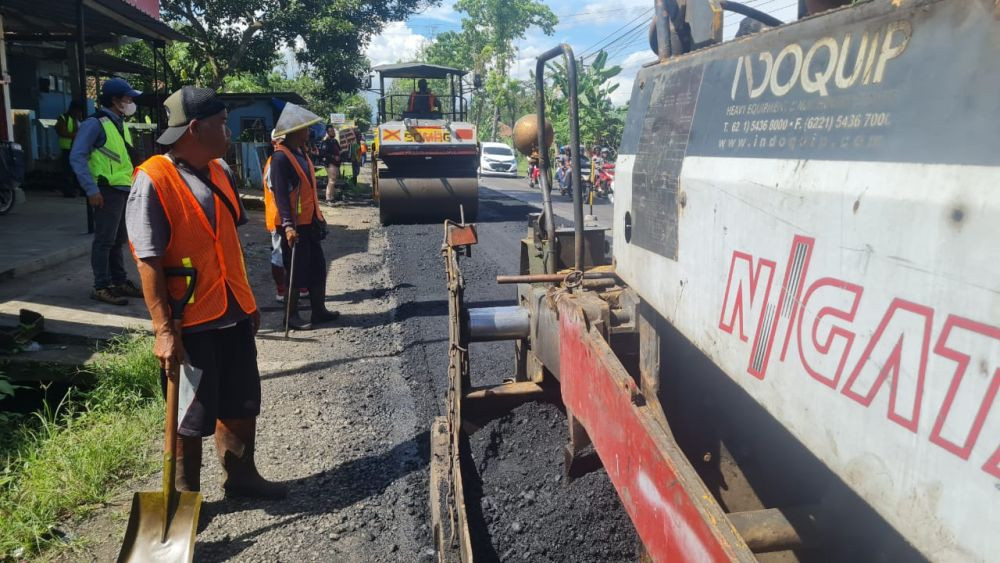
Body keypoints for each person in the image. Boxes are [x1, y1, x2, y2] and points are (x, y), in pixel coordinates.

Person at [125, 86, 285, 499]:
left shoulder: (219, 172)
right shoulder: (152, 180)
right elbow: (147, 260)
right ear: (195, 128)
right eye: (221, 124)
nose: (228, 132)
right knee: (190, 414)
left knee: (242, 399)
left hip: (230, 308)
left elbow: (226, 242)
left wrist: (245, 300)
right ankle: (185, 495)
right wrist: (163, 330)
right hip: (188, 320)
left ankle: (242, 477)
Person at [69, 78, 144, 305]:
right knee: (104, 241)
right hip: (105, 189)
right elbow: (77, 156)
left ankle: (119, 281)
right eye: (127, 97)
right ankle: (100, 286)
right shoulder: (95, 123)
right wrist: (91, 190)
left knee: (117, 239)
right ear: (114, 100)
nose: (130, 101)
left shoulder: (117, 123)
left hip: (121, 189)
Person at [266, 102, 340, 331]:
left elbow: (307, 191)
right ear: (294, 131)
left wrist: (319, 216)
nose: (308, 132)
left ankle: (319, 310)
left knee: (317, 266)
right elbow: (280, 195)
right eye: (305, 129)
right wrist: (288, 226)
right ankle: (290, 316)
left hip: (309, 222)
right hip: (294, 226)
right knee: (295, 271)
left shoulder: (300, 153)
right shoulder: (280, 158)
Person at [56, 100, 85, 198]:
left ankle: (81, 190)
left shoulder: (80, 119)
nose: (79, 113)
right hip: (67, 149)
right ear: (73, 110)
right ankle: (68, 191)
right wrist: (76, 135)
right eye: (78, 111)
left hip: (79, 149)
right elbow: (62, 132)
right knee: (68, 172)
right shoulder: (63, 118)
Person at [319, 125, 341, 202]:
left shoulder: (335, 141)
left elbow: (339, 150)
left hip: (336, 163)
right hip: (329, 163)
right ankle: (328, 198)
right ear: (327, 133)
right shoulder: (325, 142)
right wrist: (333, 157)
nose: (333, 132)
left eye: (333, 131)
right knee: (331, 179)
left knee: (333, 180)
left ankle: (332, 197)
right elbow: (323, 153)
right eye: (331, 131)